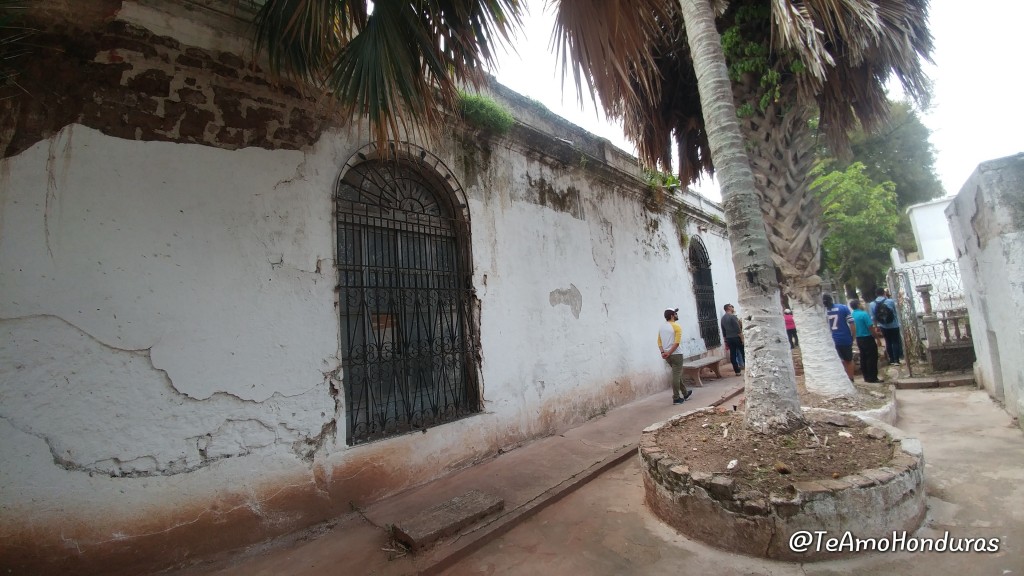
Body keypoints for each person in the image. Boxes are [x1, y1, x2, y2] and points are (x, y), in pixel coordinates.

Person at [658, 307, 693, 405]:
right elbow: (677, 343)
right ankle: (676, 398)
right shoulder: (676, 326)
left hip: (667, 355)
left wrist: (663, 353)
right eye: (675, 313)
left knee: (676, 375)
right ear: (672, 316)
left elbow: (659, 341)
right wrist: (669, 352)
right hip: (676, 354)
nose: (677, 315)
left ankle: (685, 393)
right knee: (676, 376)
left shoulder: (661, 327)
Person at [823, 294, 855, 380]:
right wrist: (853, 336)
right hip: (844, 338)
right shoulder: (843, 308)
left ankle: (841, 379)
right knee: (848, 360)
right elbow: (851, 323)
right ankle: (850, 379)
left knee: (836, 361)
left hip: (830, 340)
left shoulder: (822, 311)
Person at [849, 299, 882, 383]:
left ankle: (866, 376)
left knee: (863, 357)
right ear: (858, 305)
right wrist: (877, 338)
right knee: (872, 358)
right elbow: (870, 327)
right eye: (861, 303)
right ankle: (873, 377)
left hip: (859, 338)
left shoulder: (852, 315)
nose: (862, 304)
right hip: (867, 337)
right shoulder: (864, 314)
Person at [870, 287, 903, 365]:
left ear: (876, 294)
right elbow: (896, 312)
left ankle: (891, 359)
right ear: (884, 293)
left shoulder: (872, 304)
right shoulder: (890, 301)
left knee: (887, 341)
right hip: (894, 325)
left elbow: (873, 317)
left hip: (883, 326)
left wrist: (876, 326)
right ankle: (896, 360)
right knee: (895, 342)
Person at [720, 303, 745, 375]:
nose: (733, 308)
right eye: (731, 306)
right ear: (729, 308)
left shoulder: (723, 319)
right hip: (736, 337)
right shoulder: (733, 317)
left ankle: (737, 371)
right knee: (743, 352)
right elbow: (738, 328)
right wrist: (742, 338)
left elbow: (723, 330)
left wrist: (725, 340)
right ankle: (746, 367)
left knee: (733, 354)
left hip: (729, 338)